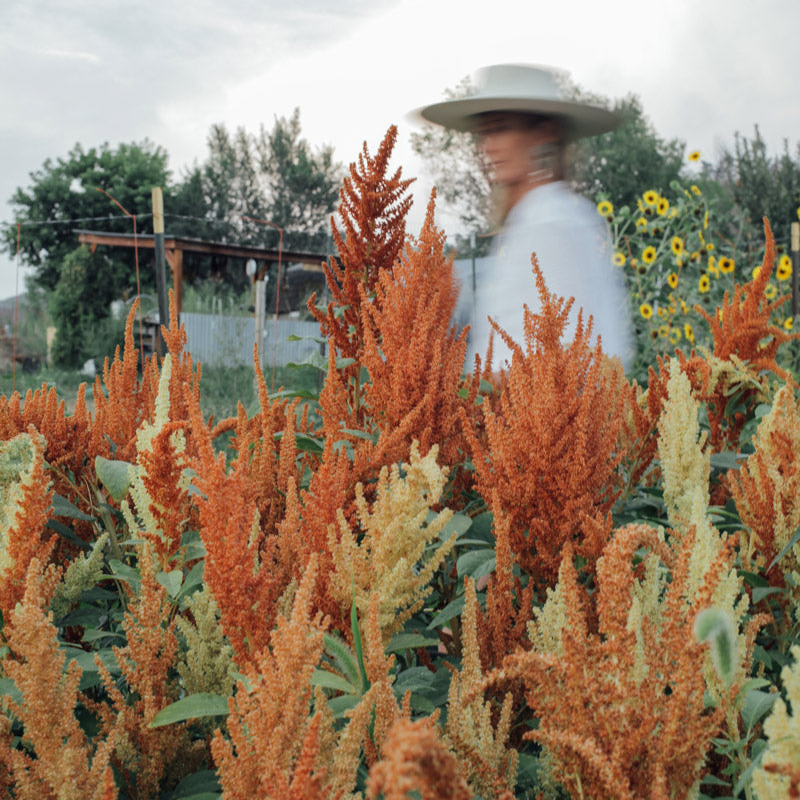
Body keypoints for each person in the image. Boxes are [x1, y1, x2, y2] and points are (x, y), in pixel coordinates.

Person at [415, 63, 634, 371]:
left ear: (544, 133)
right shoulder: (542, 216)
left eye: (500, 128)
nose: (487, 147)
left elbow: (569, 366)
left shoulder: (550, 223)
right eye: (483, 133)